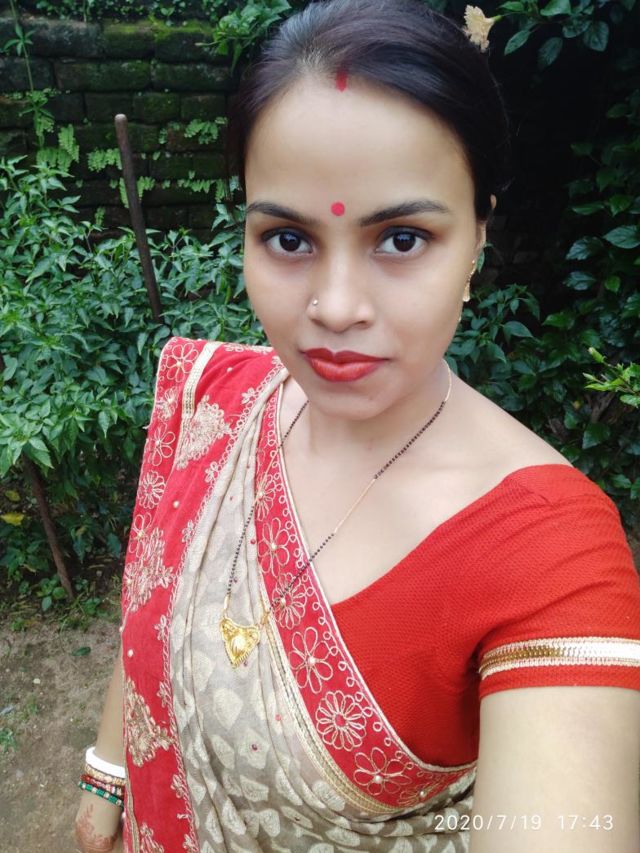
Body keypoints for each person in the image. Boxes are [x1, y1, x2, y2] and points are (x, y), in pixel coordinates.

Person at [74, 1, 640, 850]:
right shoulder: (217, 401)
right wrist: (107, 768)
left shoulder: (549, 559)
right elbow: (150, 605)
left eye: (402, 238)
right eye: (288, 238)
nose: (335, 309)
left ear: (478, 234)